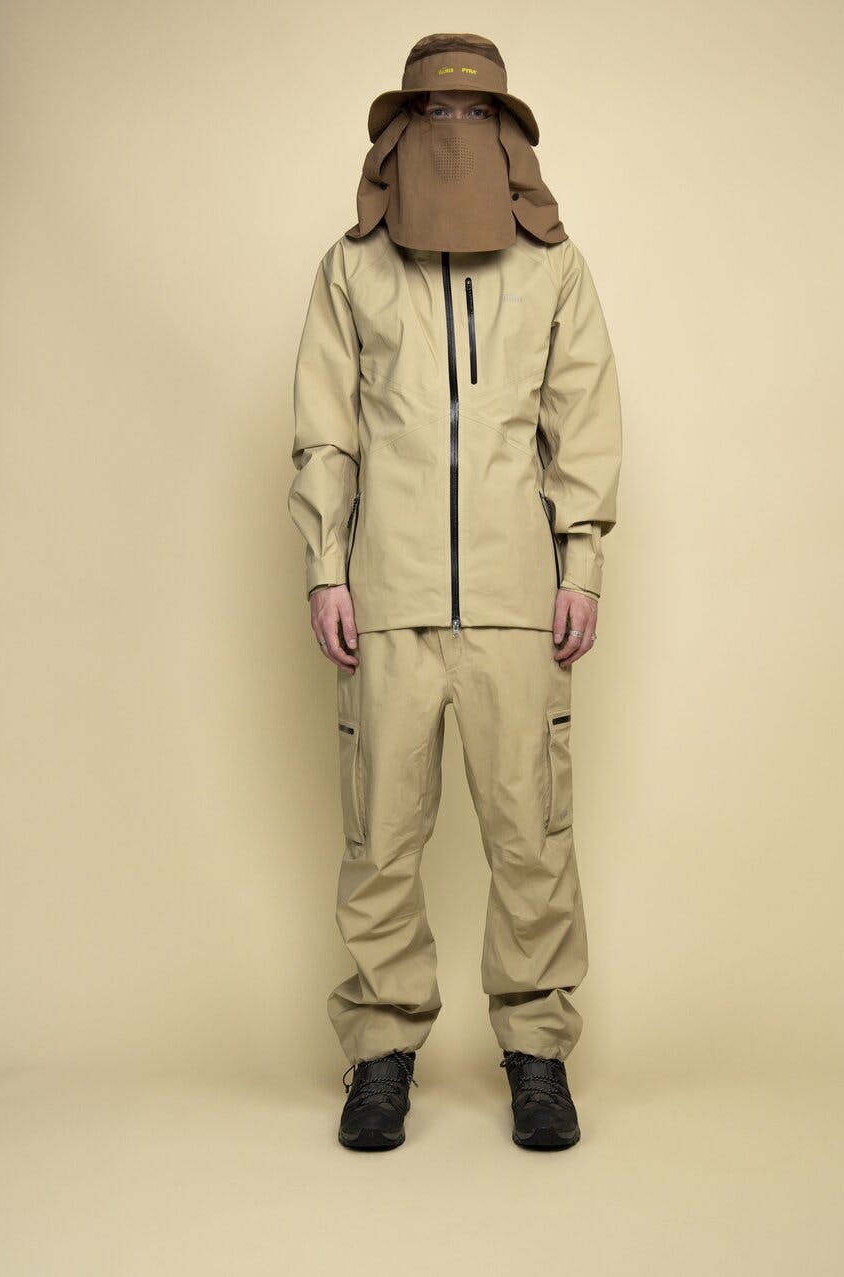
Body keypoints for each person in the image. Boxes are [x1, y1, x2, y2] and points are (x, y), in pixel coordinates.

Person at [288, 32, 622, 1151]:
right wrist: (326, 567)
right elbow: (325, 429)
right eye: (435, 112)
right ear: (401, 127)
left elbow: (583, 420)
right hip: (386, 597)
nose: (455, 132)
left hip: (519, 600)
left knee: (531, 835)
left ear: (510, 134)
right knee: (380, 838)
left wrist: (581, 563)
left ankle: (537, 1052)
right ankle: (381, 1053)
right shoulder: (353, 267)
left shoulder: (553, 267)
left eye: (477, 115)